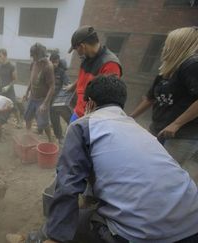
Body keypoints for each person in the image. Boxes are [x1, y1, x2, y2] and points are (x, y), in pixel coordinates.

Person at [38, 75, 198, 243]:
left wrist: (56, 237)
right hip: (192, 226)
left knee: (72, 224)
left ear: (90, 103)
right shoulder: (139, 129)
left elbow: (68, 182)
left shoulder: (84, 125)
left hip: (143, 235)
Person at [130, 27, 198, 175]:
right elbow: (150, 98)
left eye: (168, 42)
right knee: (145, 167)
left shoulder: (192, 65)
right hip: (158, 128)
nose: (164, 46)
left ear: (178, 44)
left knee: (163, 175)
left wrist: (176, 124)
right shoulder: (168, 69)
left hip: (180, 135)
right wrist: (129, 117)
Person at [67, 26, 122, 123]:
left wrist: (89, 117)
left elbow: (108, 98)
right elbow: (84, 77)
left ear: (83, 46)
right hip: (78, 111)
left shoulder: (110, 64)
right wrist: (73, 86)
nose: (77, 53)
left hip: (90, 118)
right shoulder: (88, 57)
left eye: (76, 49)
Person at [23, 43, 55, 142]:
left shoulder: (48, 67)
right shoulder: (33, 63)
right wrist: (27, 92)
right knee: (27, 117)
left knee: (43, 122)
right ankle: (28, 136)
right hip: (32, 97)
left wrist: (45, 104)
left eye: (35, 56)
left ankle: (50, 140)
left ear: (41, 55)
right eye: (32, 56)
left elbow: (52, 87)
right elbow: (31, 79)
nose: (33, 58)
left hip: (42, 100)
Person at [0, 48, 22, 129]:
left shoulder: (11, 66)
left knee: (14, 106)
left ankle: (19, 121)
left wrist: (8, 86)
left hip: (9, 90)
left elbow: (15, 80)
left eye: (0, 56)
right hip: (0, 89)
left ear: (5, 56)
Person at [49, 52, 70, 144]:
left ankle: (73, 132)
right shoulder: (47, 71)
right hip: (49, 99)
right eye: (53, 62)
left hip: (59, 100)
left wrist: (68, 86)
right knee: (54, 120)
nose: (54, 64)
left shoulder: (61, 72)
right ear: (50, 61)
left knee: (68, 116)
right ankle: (59, 136)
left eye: (56, 62)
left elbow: (67, 83)